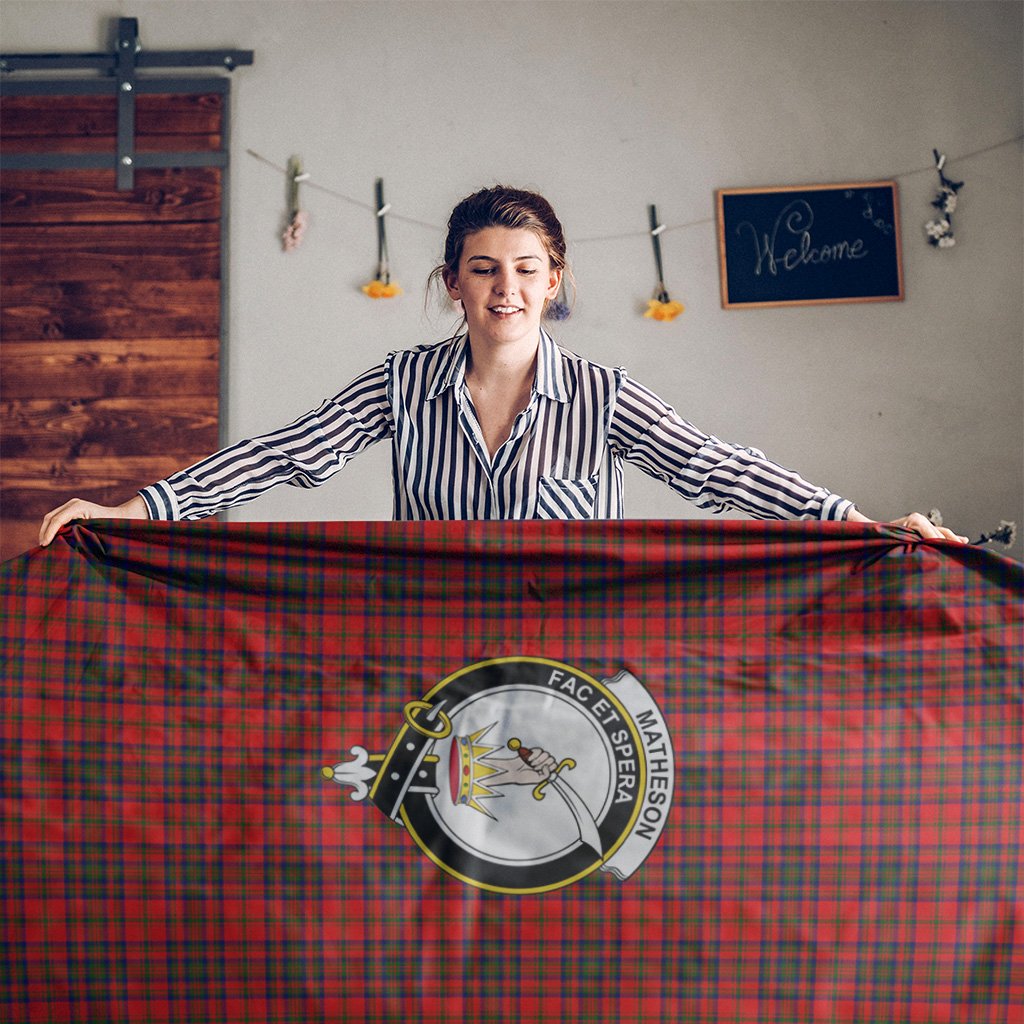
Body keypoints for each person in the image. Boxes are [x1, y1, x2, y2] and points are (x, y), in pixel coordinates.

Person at [39, 186, 967, 546]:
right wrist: (134, 511)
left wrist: (856, 522)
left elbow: (717, 467)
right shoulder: (401, 382)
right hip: (430, 654)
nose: (506, 289)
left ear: (555, 281)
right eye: (484, 270)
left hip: (578, 659)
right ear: (453, 283)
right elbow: (283, 456)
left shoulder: (604, 397)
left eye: (527, 271)